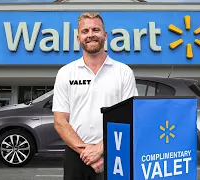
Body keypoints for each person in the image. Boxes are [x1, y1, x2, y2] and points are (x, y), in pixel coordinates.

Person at [52, 12, 138, 180]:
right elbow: (60, 121)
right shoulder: (66, 73)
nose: (90, 35)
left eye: (96, 30)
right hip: (75, 156)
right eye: (85, 31)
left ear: (105, 36)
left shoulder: (123, 72)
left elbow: (130, 116)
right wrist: (87, 153)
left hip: (115, 153)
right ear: (78, 38)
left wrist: (101, 149)